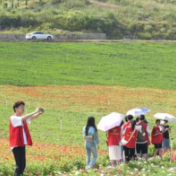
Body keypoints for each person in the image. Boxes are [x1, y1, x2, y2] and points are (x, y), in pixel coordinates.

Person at [9, 101, 44, 176]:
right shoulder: (14, 118)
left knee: (23, 165)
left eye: (23, 107)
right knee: (19, 165)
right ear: (16, 109)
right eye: (21, 107)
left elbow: (31, 117)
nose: (23, 109)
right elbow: (25, 117)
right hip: (16, 144)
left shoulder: (22, 118)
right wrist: (35, 111)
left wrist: (39, 113)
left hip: (21, 144)